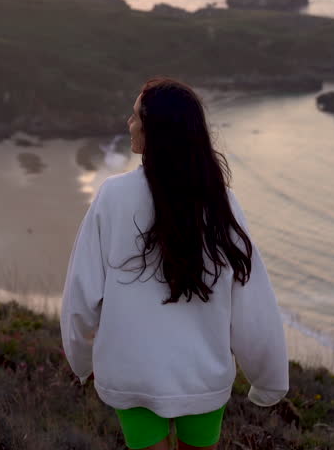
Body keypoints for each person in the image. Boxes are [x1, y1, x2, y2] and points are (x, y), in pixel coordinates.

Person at [61, 77, 288, 450]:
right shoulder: (220, 202)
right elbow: (252, 302)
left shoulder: (113, 197)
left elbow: (81, 294)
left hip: (132, 374)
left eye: (137, 118)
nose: (128, 124)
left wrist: (80, 358)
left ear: (158, 133)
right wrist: (269, 380)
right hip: (202, 376)